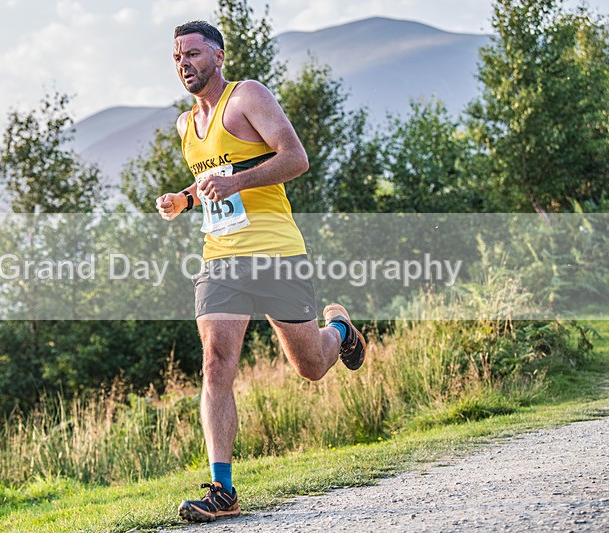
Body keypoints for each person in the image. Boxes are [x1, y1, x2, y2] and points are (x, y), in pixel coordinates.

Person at [156, 20, 367, 523]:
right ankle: (223, 490)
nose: (184, 63)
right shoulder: (186, 125)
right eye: (177, 57)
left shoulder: (247, 96)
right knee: (215, 364)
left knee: (310, 366)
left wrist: (238, 184)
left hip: (276, 252)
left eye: (193, 53)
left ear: (218, 56)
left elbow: (296, 159)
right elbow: (214, 178)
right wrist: (184, 199)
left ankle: (340, 330)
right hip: (219, 258)